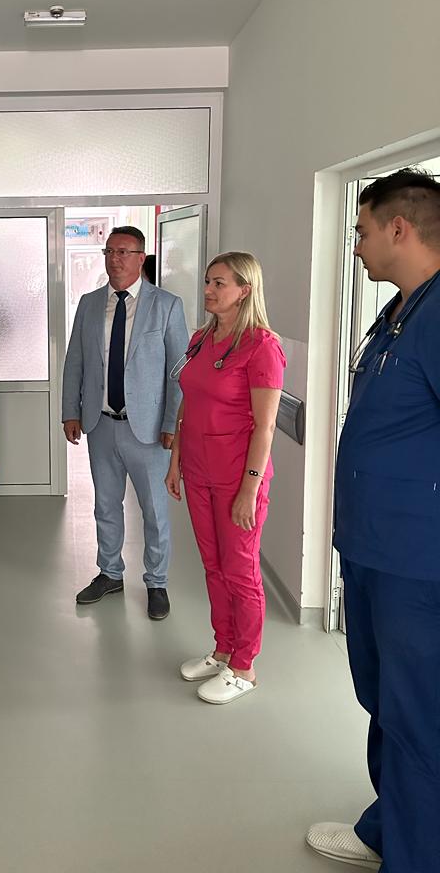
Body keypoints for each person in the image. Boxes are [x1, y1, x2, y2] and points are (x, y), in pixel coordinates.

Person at [307, 168, 440, 872]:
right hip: (372, 547)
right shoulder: (398, 313)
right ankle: (390, 829)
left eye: (361, 231)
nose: (356, 246)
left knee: (418, 716)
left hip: (417, 562)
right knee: (386, 701)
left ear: (399, 227)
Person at [165, 252, 284, 704]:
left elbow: (266, 426)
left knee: (241, 571)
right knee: (213, 566)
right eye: (207, 281)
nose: (208, 290)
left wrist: (250, 489)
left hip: (237, 478)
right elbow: (189, 403)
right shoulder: (202, 338)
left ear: (244, 290)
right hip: (198, 471)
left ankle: (245, 665)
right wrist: (176, 460)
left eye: (219, 283)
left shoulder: (262, 346)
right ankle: (223, 649)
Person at [63, 226, 188, 619]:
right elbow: (75, 361)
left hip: (148, 430)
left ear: (140, 258)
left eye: (123, 252)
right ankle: (110, 572)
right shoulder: (89, 304)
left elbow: (179, 372)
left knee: (154, 511)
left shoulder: (166, 305)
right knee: (105, 504)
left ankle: (157, 581)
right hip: (100, 424)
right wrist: (70, 411)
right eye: (109, 251)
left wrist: (172, 423)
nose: (114, 259)